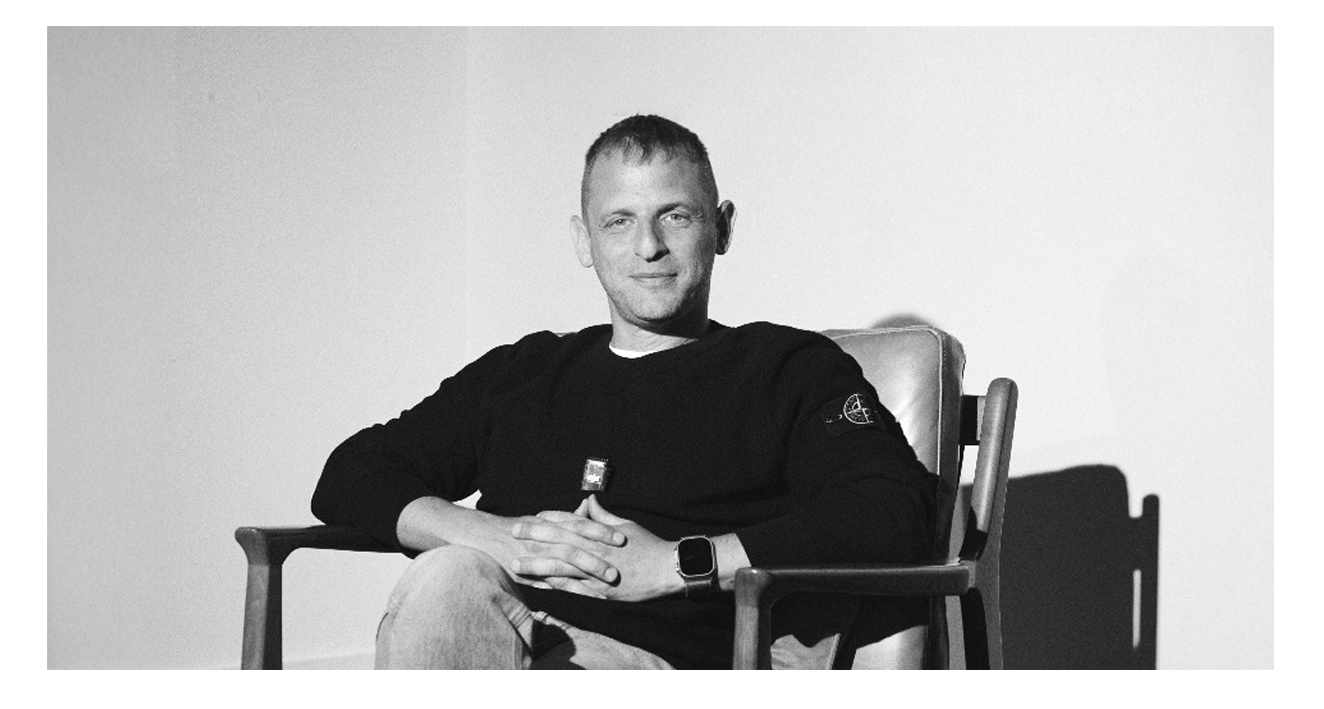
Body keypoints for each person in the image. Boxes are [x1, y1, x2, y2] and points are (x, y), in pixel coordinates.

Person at [311, 114, 937, 669]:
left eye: (676, 215)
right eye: (620, 221)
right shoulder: (524, 371)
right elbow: (351, 473)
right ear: (584, 241)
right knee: (448, 576)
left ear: (721, 228)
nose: (649, 246)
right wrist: (493, 538)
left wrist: (677, 564)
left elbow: (890, 510)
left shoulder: (785, 368)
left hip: (660, 664)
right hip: (494, 641)